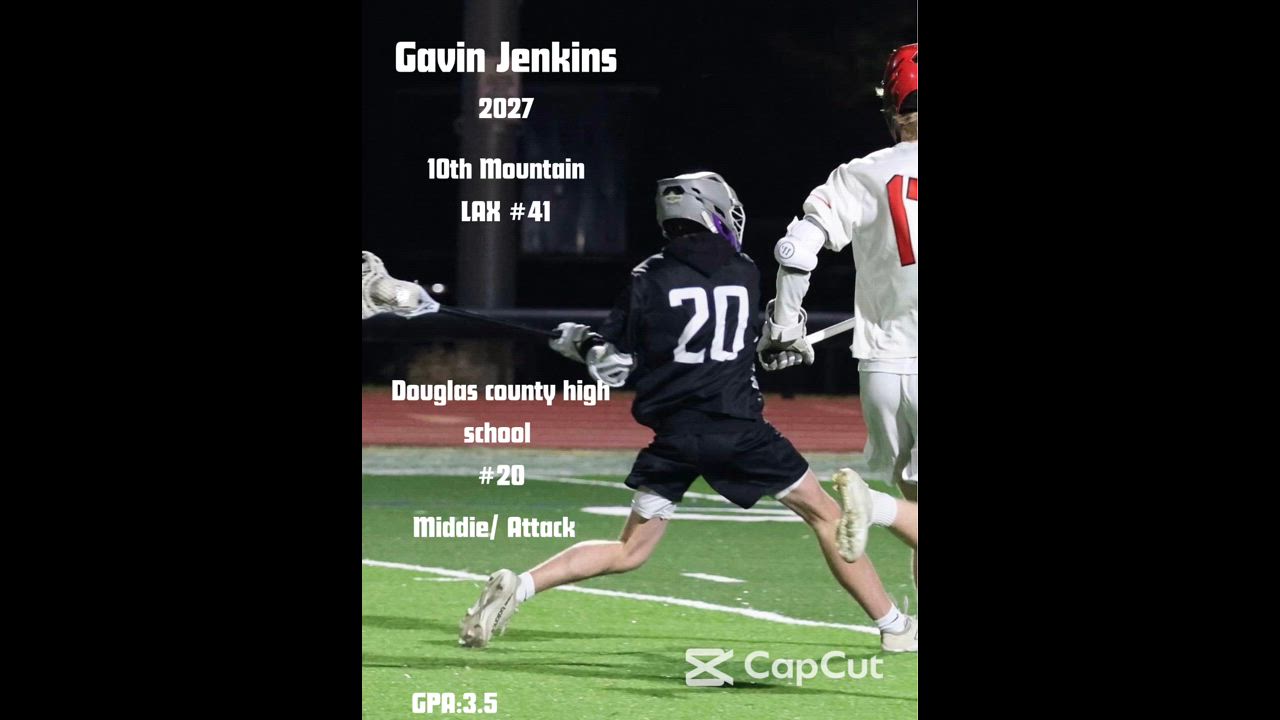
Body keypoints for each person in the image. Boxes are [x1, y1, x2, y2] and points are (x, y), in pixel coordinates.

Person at [458, 171, 919, 653]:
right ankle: (893, 627)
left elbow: (615, 359)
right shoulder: (744, 270)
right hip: (739, 430)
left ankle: (521, 585)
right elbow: (732, 343)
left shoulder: (647, 277)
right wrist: (775, 344)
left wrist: (581, 343)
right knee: (827, 516)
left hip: (676, 436)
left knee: (629, 551)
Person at [757, 43, 919, 587]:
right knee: (905, 508)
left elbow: (795, 251)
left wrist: (785, 326)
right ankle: (875, 507)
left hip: (884, 371)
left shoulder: (860, 174)